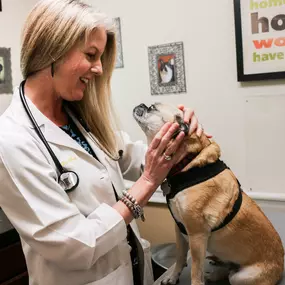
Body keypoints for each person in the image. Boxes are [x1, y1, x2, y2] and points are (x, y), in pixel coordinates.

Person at [0, 1, 209, 285]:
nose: (98, 69)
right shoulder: (12, 140)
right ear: (52, 49)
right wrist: (146, 184)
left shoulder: (78, 116)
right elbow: (73, 245)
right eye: (91, 55)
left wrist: (178, 135)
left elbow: (135, 159)